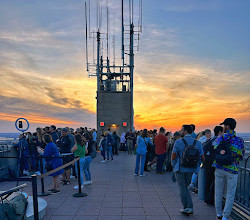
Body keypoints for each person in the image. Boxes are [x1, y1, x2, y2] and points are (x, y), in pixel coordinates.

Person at [213, 118, 245, 220]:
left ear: (227, 126)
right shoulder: (239, 140)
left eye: (224, 126)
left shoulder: (220, 138)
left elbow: (214, 148)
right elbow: (241, 155)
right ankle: (225, 216)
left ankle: (218, 214)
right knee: (230, 194)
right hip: (232, 169)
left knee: (218, 192)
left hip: (219, 167)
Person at [171, 125, 204, 216]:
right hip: (191, 168)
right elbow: (202, 157)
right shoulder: (198, 143)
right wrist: (196, 166)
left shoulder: (178, 142)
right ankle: (188, 207)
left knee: (182, 188)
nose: (180, 131)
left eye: (181, 130)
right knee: (186, 187)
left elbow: (173, 155)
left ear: (185, 131)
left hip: (180, 168)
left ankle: (188, 207)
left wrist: (174, 165)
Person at [203, 126, 223, 205]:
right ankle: (210, 199)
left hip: (208, 163)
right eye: (222, 132)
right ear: (219, 132)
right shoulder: (218, 140)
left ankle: (206, 198)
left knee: (208, 181)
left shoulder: (210, 140)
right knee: (215, 182)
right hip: (214, 164)